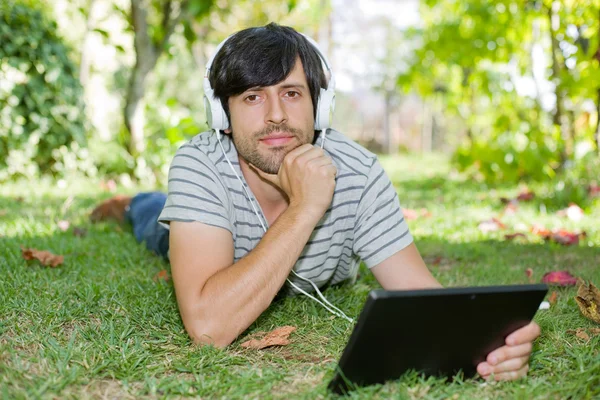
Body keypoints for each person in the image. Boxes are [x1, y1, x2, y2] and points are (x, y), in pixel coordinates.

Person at [92, 23, 540, 382]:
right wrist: (304, 208)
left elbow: (423, 298)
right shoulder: (200, 162)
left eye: (291, 93)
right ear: (222, 117)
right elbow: (209, 328)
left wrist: (494, 344)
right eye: (252, 97)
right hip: (196, 237)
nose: (276, 116)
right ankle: (127, 203)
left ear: (318, 107)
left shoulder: (358, 171)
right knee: (151, 219)